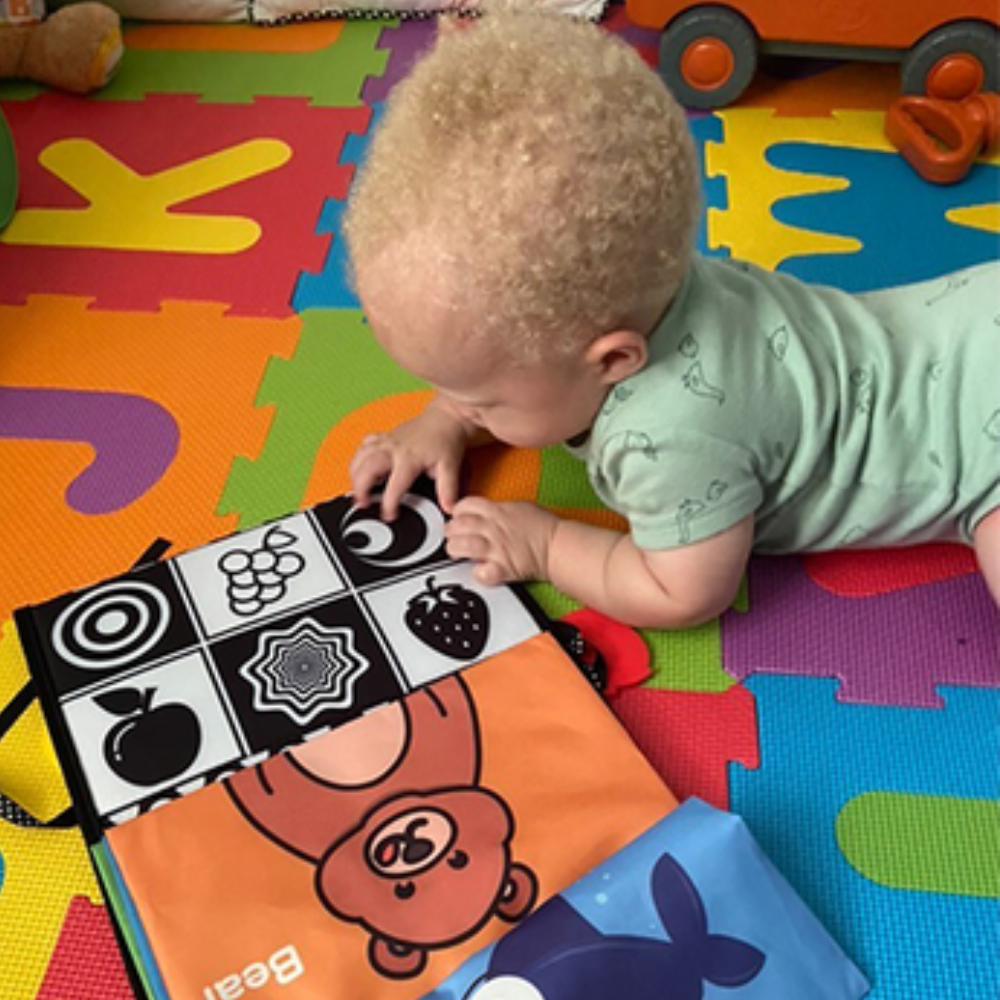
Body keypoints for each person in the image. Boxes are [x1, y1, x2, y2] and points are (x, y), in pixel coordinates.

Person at [344, 8, 1000, 628]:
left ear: (613, 360)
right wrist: (443, 422)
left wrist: (544, 545)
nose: (459, 406)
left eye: (479, 399)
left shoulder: (669, 436)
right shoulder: (641, 270)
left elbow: (683, 590)